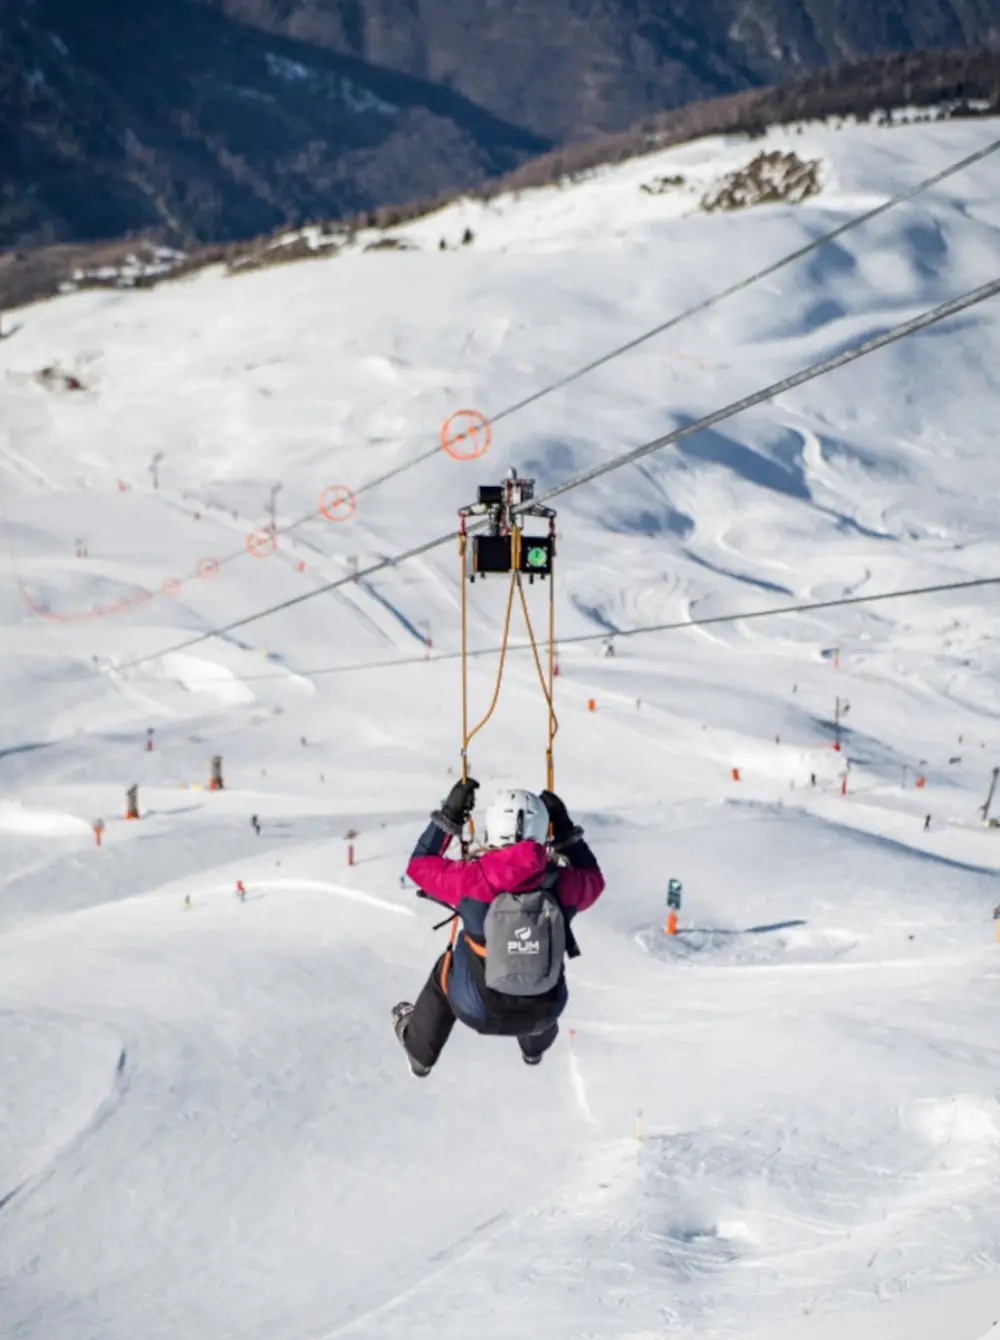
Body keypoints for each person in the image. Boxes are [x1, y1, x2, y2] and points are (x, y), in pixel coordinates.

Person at [392, 780, 604, 1077]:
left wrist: (449, 817)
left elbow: (419, 866)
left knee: (448, 967)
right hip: (545, 1012)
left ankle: (420, 1053)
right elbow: (594, 879)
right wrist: (566, 831)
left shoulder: (470, 880)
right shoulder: (565, 883)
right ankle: (534, 1048)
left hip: (477, 1009)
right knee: (541, 962)